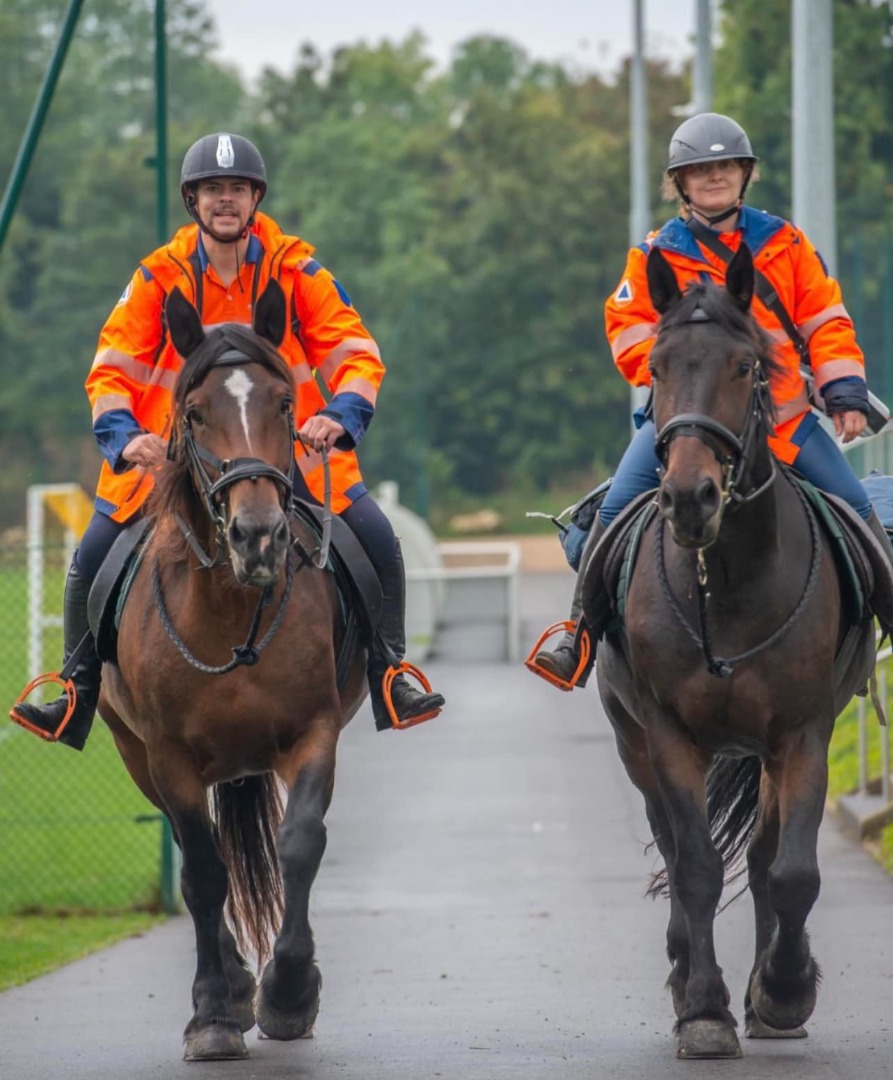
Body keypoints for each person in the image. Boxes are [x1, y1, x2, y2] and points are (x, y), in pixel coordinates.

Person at [10, 132, 444, 748]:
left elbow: (355, 351)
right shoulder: (158, 277)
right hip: (171, 459)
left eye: (237, 189)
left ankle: (390, 673)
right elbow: (112, 368)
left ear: (254, 198)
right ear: (193, 200)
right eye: (213, 190)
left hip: (286, 452)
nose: (225, 201)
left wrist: (342, 415)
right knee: (90, 560)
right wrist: (126, 437)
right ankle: (75, 688)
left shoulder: (296, 268)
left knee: (378, 542)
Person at [530, 111, 892, 690]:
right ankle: (579, 634)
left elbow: (826, 320)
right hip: (688, 424)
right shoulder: (653, 255)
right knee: (609, 516)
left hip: (782, 422)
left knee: (859, 515)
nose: (714, 177)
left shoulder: (786, 244)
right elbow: (627, 331)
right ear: (682, 183)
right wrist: (686, 364)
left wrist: (843, 390)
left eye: (725, 166)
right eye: (701, 170)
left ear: (744, 174)